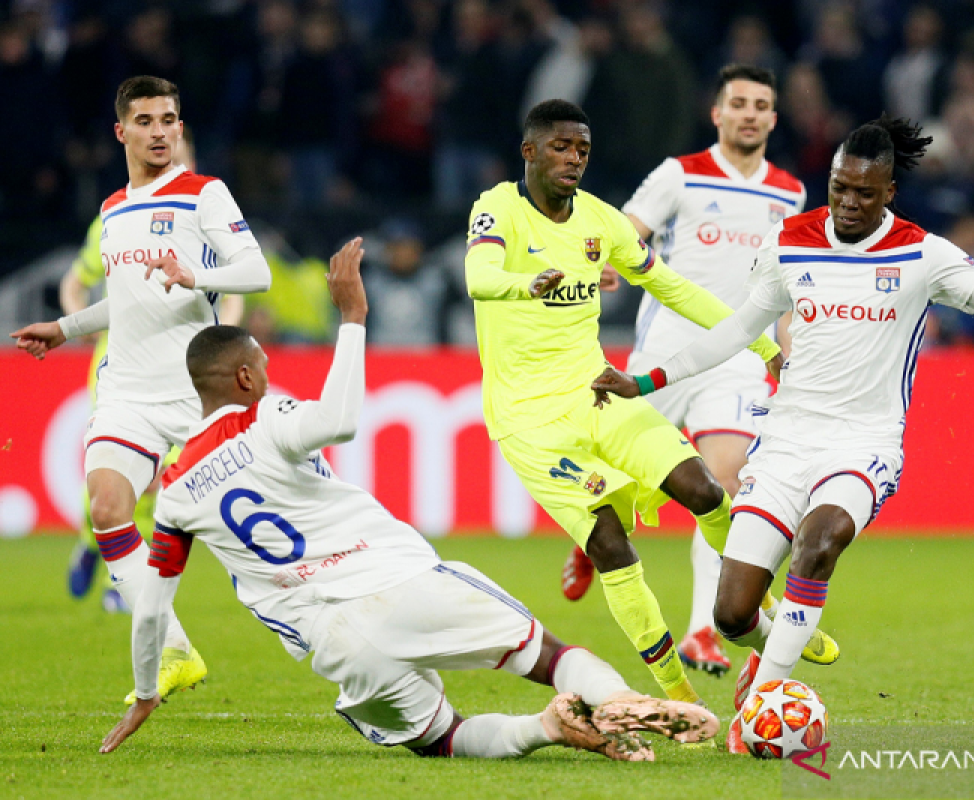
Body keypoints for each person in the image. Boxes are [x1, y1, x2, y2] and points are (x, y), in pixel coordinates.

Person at [591, 114, 974, 752]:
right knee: (732, 615)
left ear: (889, 194)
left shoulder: (923, 255)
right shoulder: (790, 241)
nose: (847, 203)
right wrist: (648, 381)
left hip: (864, 443)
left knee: (819, 544)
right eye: (839, 187)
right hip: (787, 441)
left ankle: (764, 695)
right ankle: (765, 653)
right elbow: (738, 331)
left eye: (863, 193)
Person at [98, 238, 718, 761]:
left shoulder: (175, 490)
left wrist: (148, 689)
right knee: (546, 656)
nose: (267, 372)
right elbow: (340, 420)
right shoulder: (265, 416)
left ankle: (548, 729)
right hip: (397, 581)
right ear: (244, 378)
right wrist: (352, 318)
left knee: (440, 739)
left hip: (337, 647)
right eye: (261, 365)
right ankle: (616, 700)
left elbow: (152, 608)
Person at [464, 99, 781, 705]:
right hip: (530, 421)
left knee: (707, 491)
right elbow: (478, 277)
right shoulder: (498, 207)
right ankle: (678, 694)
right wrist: (522, 284)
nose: (573, 159)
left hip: (597, 393)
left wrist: (761, 343)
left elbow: (676, 288)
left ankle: (763, 613)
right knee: (611, 541)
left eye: (582, 149)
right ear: (529, 151)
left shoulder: (601, 222)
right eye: (560, 147)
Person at [560, 64, 837, 679]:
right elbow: (626, 232)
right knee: (611, 481)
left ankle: (700, 634)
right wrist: (607, 263)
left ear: (772, 117)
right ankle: (593, 541)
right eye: (738, 103)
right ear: (717, 113)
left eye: (761, 105)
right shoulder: (679, 174)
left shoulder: (790, 193)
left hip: (737, 361)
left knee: (728, 487)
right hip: (664, 355)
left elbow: (784, 291)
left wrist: (792, 350)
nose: (749, 114)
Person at [10, 75, 272, 702]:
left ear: (180, 129)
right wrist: (65, 327)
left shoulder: (205, 193)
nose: (160, 132)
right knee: (106, 508)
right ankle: (175, 648)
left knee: (258, 549)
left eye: (170, 120)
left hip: (191, 396)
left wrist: (195, 273)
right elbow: (122, 303)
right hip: (125, 391)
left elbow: (256, 271)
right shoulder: (111, 211)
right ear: (121, 131)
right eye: (147, 121)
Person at [62, 128, 245, 612]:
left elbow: (238, 285)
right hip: (119, 366)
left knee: (170, 478)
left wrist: (221, 341)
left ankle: (120, 574)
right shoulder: (113, 216)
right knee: (115, 480)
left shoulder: (204, 209)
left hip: (185, 370)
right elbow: (75, 282)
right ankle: (98, 552)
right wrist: (72, 323)